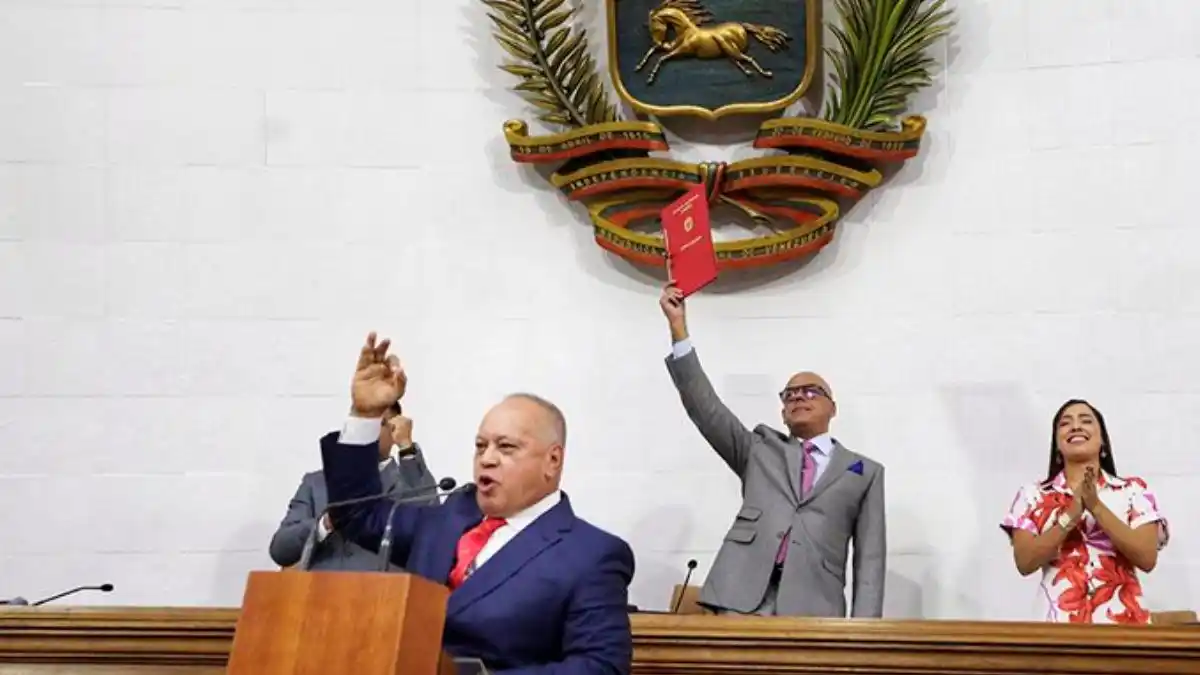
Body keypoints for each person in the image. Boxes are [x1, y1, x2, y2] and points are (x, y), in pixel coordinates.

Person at [322, 332, 635, 675]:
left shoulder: (591, 554)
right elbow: (356, 513)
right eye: (480, 445)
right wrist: (365, 415)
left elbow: (601, 667)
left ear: (553, 461)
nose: (487, 459)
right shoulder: (447, 518)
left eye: (506, 447)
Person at [658, 285, 886, 617]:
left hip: (814, 609)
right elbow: (706, 409)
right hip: (739, 600)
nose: (797, 397)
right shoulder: (759, 450)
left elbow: (871, 561)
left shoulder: (864, 472)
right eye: (789, 394)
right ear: (782, 412)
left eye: (811, 392)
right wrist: (678, 329)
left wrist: (865, 637)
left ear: (832, 408)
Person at [1000, 399, 1170, 624]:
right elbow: (1025, 561)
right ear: (1057, 446)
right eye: (1065, 423)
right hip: (1057, 625)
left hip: (1124, 625)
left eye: (1086, 421)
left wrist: (1095, 506)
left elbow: (1146, 558)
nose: (1076, 427)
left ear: (1103, 444)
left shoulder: (1133, 490)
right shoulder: (1033, 494)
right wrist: (1071, 513)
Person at [269, 402, 438, 570]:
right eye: (361, 423)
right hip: (318, 592)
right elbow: (280, 550)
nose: (367, 430)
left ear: (394, 430)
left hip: (383, 593)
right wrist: (325, 524)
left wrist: (406, 448)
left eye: (377, 422)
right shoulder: (316, 483)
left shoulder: (409, 483)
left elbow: (432, 530)